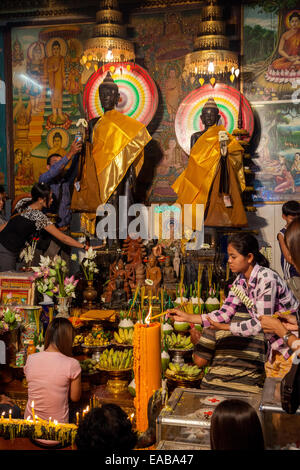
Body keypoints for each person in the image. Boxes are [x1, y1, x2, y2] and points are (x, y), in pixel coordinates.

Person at [168, 232, 299, 377]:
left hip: (291, 348)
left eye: (233, 256)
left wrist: (225, 327)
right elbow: (224, 313)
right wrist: (187, 317)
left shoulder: (266, 279)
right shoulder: (240, 281)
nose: (229, 261)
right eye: (229, 256)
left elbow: (261, 323)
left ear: (249, 257)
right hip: (275, 349)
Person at [74, 72, 151, 245]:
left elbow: (133, 150)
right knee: (102, 212)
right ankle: (101, 246)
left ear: (117, 98)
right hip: (99, 175)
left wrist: (130, 175)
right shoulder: (93, 123)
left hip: (121, 175)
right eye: (102, 95)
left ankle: (119, 246)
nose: (106, 98)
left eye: (109, 94)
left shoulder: (128, 124)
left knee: (120, 211)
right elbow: (90, 151)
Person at [172, 97, 247, 228]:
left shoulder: (222, 134)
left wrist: (223, 153)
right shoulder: (195, 136)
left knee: (213, 203)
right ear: (201, 118)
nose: (209, 117)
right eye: (206, 115)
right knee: (195, 203)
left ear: (217, 117)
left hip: (216, 175)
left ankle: (215, 221)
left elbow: (234, 155)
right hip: (198, 174)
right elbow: (193, 158)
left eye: (212, 114)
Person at [0, 182, 89, 272]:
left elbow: (8, 224)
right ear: (41, 200)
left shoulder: (23, 203)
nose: (52, 200)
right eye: (49, 198)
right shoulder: (39, 217)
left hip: (4, 245)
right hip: (7, 252)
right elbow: (63, 238)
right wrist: (84, 247)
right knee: (7, 283)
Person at [193, 308, 266, 394]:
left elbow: (200, 361)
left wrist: (196, 342)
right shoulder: (264, 321)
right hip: (250, 390)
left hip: (214, 388)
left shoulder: (216, 320)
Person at [24, 318, 81, 425]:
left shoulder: (31, 359)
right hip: (57, 431)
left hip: (30, 429)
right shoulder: (72, 364)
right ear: (68, 339)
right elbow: (75, 397)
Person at [38, 138, 81, 261]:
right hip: (50, 234)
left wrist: (78, 153)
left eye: (61, 163)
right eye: (56, 164)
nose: (60, 167)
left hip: (65, 232)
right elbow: (54, 172)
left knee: (64, 270)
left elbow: (74, 167)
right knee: (47, 270)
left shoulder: (66, 181)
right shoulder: (44, 180)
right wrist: (70, 153)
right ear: (48, 167)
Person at [277, 200, 300, 300]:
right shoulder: (282, 234)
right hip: (292, 274)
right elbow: (289, 258)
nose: (295, 221)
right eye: (292, 218)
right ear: (284, 217)